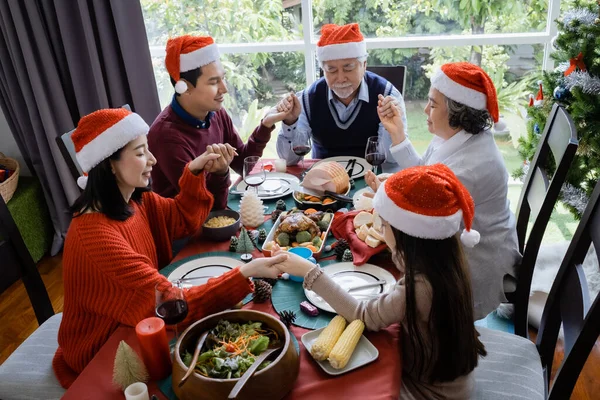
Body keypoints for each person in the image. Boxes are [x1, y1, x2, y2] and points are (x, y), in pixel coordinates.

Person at [52, 108, 288, 388]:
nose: (152, 160)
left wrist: (195, 170)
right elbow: (171, 304)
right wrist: (244, 273)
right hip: (107, 350)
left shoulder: (134, 201)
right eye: (140, 153)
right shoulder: (97, 238)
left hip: (140, 322)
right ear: (109, 164)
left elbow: (182, 219)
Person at [275, 164, 487, 399]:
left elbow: (362, 315)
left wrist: (310, 272)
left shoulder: (419, 288)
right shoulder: (445, 262)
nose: (380, 229)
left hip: (429, 392)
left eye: (384, 226)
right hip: (448, 379)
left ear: (408, 237)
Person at [372, 61, 521, 320]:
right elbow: (425, 172)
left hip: (474, 262)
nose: (425, 110)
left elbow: (427, 219)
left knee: (386, 265)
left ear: (458, 112)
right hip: (463, 242)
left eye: (433, 104)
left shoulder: (472, 165)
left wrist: (385, 200)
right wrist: (397, 134)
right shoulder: (454, 136)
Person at [148, 35, 293, 209]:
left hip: (214, 214)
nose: (224, 89)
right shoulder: (166, 136)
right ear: (184, 87)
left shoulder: (216, 113)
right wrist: (221, 172)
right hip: (187, 230)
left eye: (222, 78)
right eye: (213, 82)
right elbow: (204, 206)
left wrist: (266, 125)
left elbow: (242, 164)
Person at [275, 23, 407, 171]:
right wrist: (290, 122)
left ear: (364, 65)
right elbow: (288, 160)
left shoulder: (389, 96)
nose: (340, 78)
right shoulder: (307, 99)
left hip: (372, 180)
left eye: (348, 68)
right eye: (331, 70)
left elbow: (391, 160)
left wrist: (393, 130)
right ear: (323, 70)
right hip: (324, 181)